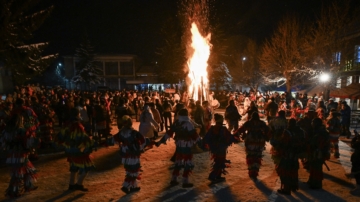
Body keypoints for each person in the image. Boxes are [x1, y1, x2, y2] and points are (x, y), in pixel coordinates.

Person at [156, 108, 201, 188]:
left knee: (178, 162)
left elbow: (168, 133)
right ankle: (185, 181)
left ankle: (174, 179)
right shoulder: (188, 123)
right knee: (187, 162)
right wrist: (202, 143)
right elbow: (194, 135)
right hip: (187, 145)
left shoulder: (177, 123)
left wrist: (160, 142)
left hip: (179, 146)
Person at [57, 108, 96, 191]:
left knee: (74, 166)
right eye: (79, 114)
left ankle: (71, 184)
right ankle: (79, 183)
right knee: (86, 166)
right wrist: (91, 141)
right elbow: (82, 138)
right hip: (77, 150)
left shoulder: (67, 124)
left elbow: (60, 136)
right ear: (77, 115)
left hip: (69, 150)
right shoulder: (77, 126)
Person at [3, 114, 38, 197]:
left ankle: (28, 185)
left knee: (28, 169)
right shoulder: (21, 130)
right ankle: (15, 191)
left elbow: (4, 142)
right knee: (18, 173)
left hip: (12, 155)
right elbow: (27, 141)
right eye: (22, 120)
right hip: (20, 154)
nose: (23, 121)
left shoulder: (7, 130)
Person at [116, 115, 153, 194]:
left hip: (125, 155)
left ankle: (133, 186)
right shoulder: (134, 133)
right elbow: (143, 140)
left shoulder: (121, 133)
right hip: (133, 154)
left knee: (130, 170)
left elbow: (112, 140)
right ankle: (126, 186)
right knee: (134, 170)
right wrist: (148, 142)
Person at [203, 113, 239, 182]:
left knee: (219, 161)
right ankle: (213, 176)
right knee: (219, 162)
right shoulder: (223, 129)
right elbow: (229, 137)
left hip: (214, 149)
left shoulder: (212, 128)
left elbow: (206, 138)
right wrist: (235, 138)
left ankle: (218, 176)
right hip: (221, 148)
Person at [235, 112, 269, 179]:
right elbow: (268, 130)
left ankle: (251, 171)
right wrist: (266, 136)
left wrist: (236, 135)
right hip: (259, 141)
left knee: (250, 156)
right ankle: (255, 171)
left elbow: (241, 129)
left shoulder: (249, 123)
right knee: (257, 156)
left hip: (250, 141)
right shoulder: (261, 123)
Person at [276, 119, 306, 195]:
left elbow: (284, 142)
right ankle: (293, 186)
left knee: (285, 171)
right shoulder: (301, 131)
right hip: (296, 154)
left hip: (287, 154)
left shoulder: (287, 132)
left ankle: (286, 189)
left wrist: (279, 149)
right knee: (294, 170)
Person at [307, 118, 330, 189]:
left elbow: (319, 143)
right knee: (313, 167)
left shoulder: (321, 132)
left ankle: (316, 184)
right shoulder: (317, 131)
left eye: (313, 122)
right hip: (315, 152)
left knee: (317, 168)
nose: (312, 124)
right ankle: (312, 181)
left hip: (318, 153)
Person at [346, 130, 360, 195]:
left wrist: (355, 137)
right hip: (357, 158)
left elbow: (354, 145)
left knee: (358, 173)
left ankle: (358, 189)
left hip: (358, 159)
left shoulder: (358, 144)